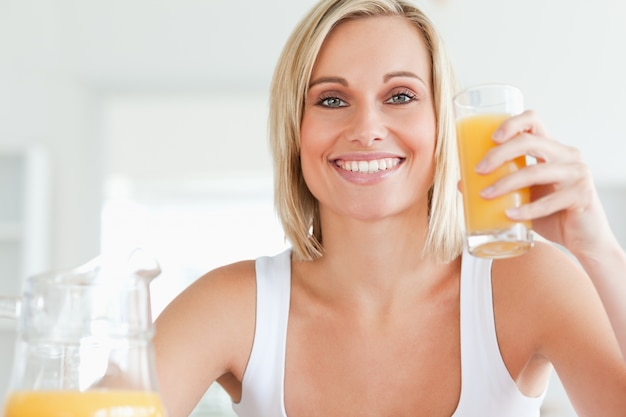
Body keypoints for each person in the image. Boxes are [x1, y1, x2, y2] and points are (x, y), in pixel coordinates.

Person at [153, 0, 626, 416]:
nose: (367, 128)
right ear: (295, 133)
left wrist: (600, 251)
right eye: (332, 99)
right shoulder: (234, 307)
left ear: (444, 125)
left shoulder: (526, 285)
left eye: (400, 96)